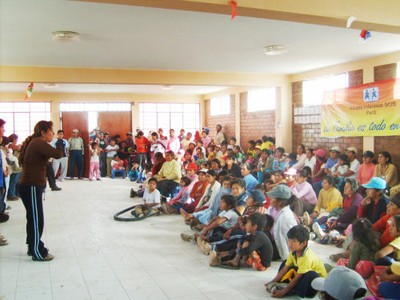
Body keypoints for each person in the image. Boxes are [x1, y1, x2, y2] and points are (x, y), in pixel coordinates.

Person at [18, 120, 63, 261]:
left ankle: (32, 247)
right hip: (31, 186)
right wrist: (58, 143)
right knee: (37, 219)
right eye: (51, 131)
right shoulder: (38, 143)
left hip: (30, 186)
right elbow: (57, 154)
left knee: (33, 218)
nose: (53, 134)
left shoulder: (36, 142)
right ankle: (37, 251)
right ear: (43, 132)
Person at [266, 225, 327, 298]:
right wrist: (272, 282)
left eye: (294, 241)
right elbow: (285, 268)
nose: (290, 244)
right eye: (289, 240)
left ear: (303, 243)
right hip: (302, 274)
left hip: (315, 285)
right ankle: (285, 285)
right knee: (285, 263)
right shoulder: (293, 252)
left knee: (310, 274)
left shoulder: (307, 257)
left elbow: (298, 276)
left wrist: (283, 292)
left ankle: (293, 291)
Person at [266, 185, 298, 260]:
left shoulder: (286, 216)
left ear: (280, 202)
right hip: (269, 239)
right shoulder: (271, 209)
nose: (270, 199)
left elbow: (290, 237)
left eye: (273, 198)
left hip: (277, 246)